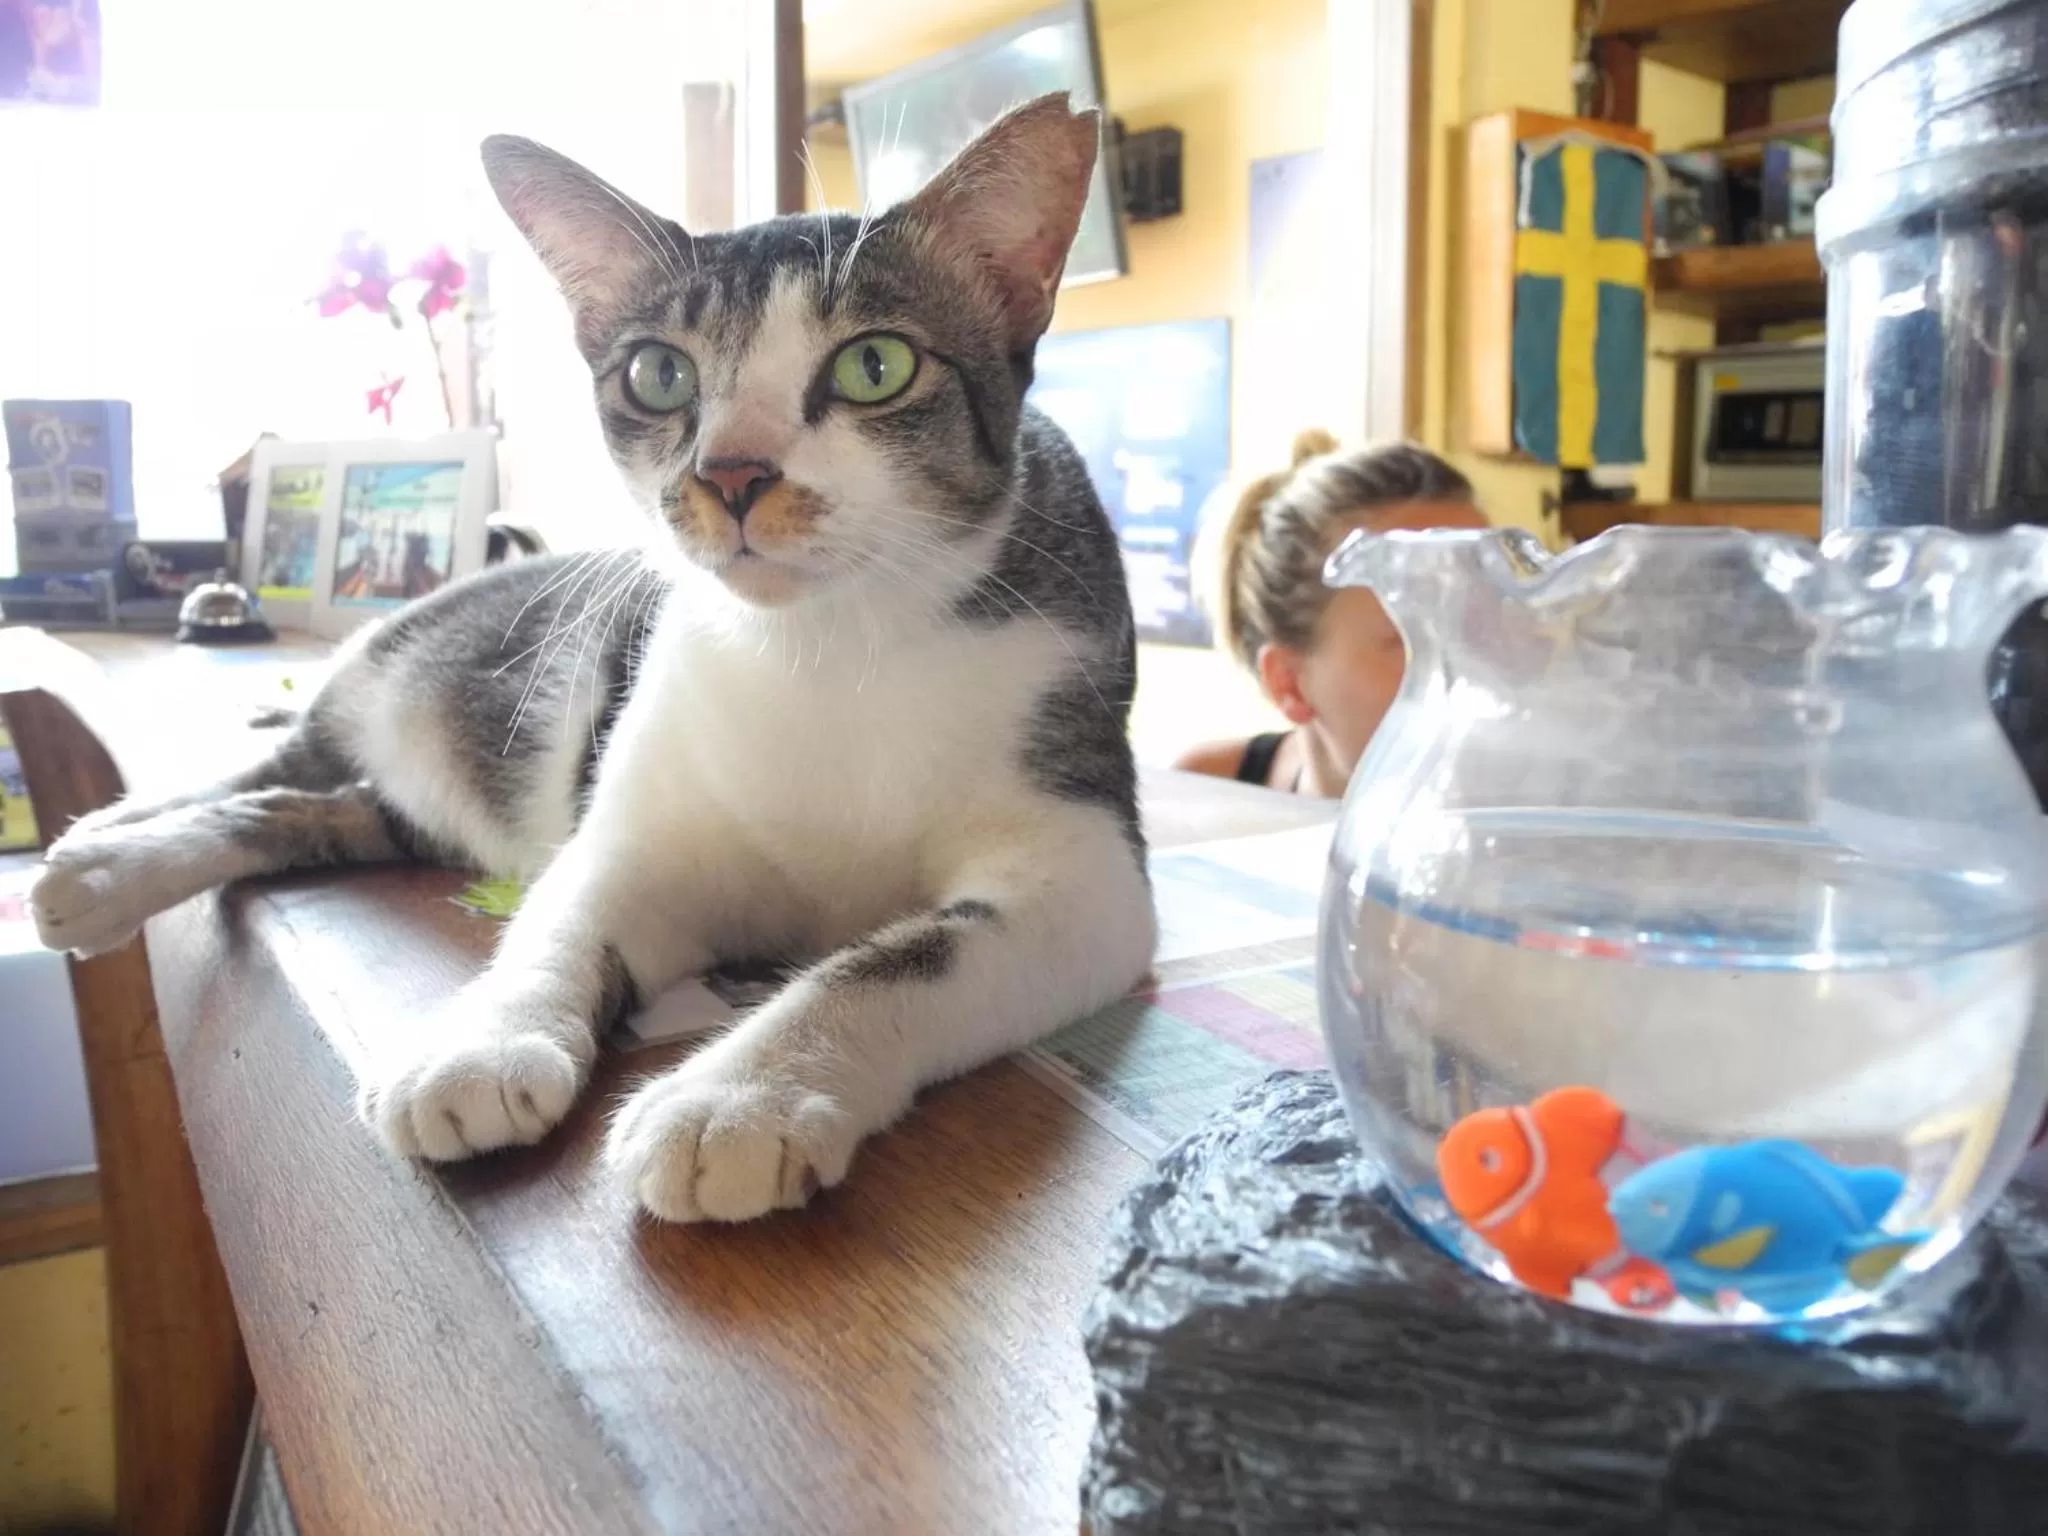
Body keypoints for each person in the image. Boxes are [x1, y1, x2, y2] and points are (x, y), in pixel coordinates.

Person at [1176, 430, 1486, 797]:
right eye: (1417, 634)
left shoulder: (1540, 809)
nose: (1482, 663)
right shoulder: (1211, 793)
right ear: (1290, 684)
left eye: (1489, 621)